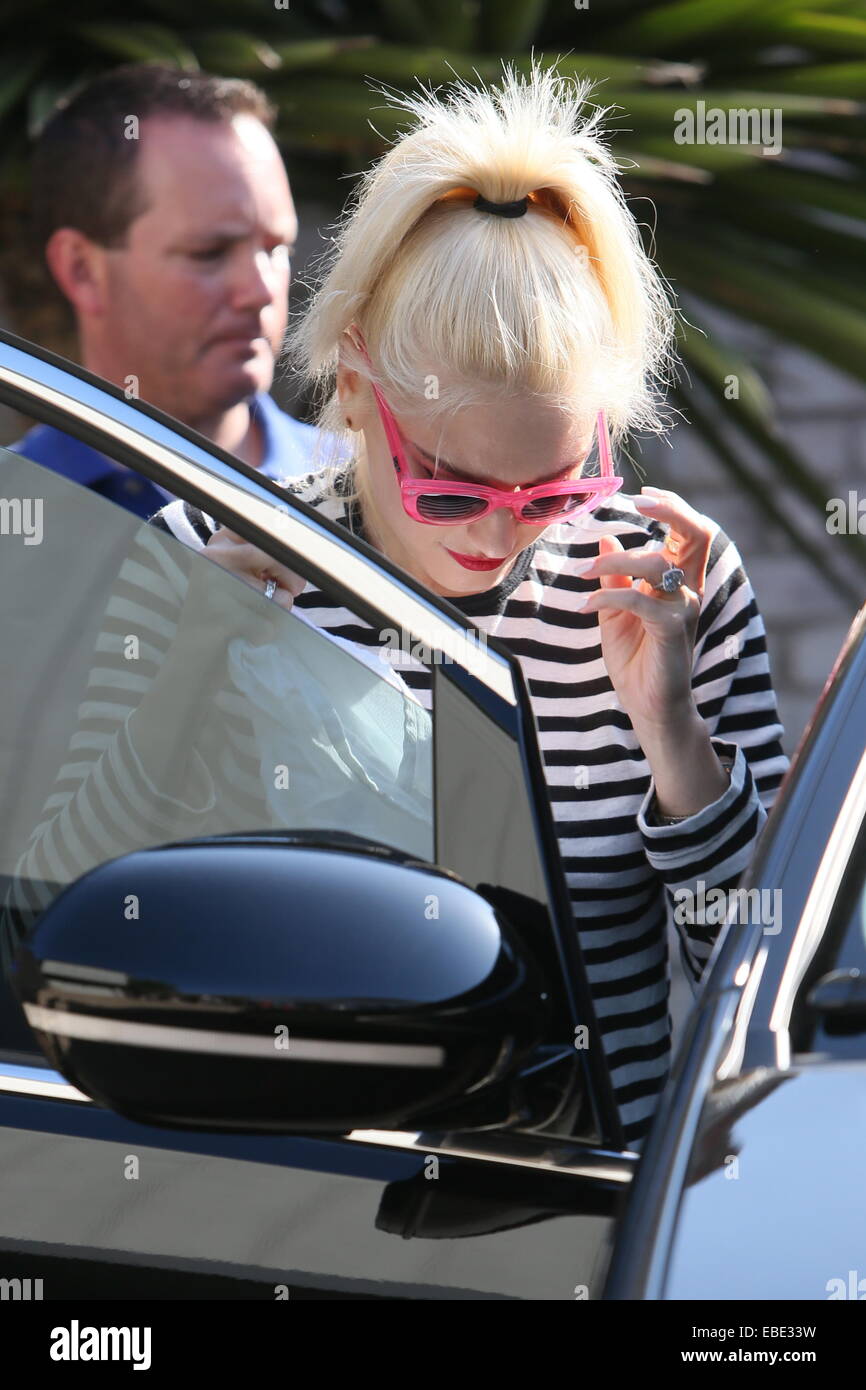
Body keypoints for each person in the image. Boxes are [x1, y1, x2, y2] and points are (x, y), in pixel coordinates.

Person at [2, 62, 788, 1149]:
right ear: (358, 385)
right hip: (296, 1200)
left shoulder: (661, 584)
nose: (502, 534)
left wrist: (674, 742)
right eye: (454, 486)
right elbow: (66, 916)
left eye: (558, 486)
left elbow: (761, 990)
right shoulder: (210, 553)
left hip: (585, 1198)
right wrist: (191, 667)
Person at [9, 63, 323, 517]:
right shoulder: (17, 516)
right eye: (209, 253)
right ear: (82, 270)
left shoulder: (374, 500)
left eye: (277, 249)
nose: (259, 291)